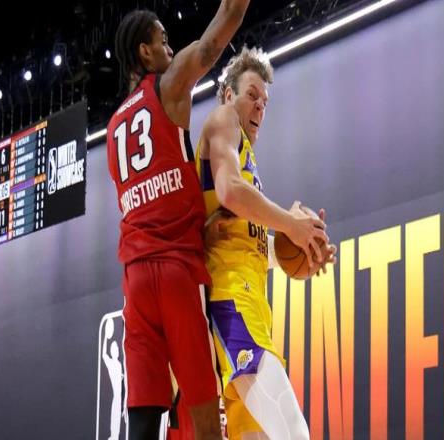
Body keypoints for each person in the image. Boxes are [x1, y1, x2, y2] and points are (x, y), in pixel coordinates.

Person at [106, 3, 251, 439]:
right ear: (144, 51)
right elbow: (220, 30)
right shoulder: (168, 86)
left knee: (144, 418)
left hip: (135, 279)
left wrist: (195, 225)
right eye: (163, 40)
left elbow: (149, 200)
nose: (169, 48)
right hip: (174, 272)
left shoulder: (114, 126)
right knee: (205, 414)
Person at [195, 46, 337, 439]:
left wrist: (302, 246)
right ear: (229, 95)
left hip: (252, 305)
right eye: (251, 95)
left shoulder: (248, 163)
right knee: (293, 431)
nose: (260, 106)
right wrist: (291, 224)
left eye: (265, 101)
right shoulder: (223, 120)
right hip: (230, 301)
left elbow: (249, 241)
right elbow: (229, 190)